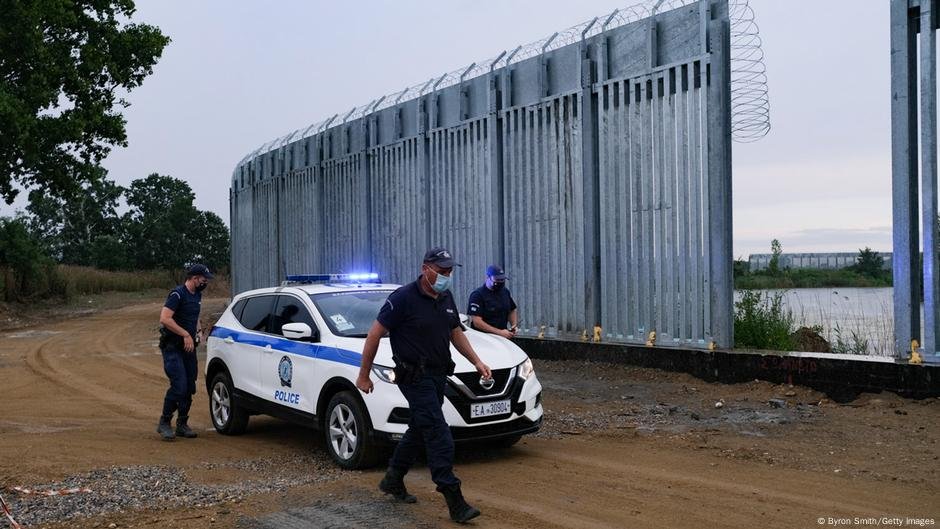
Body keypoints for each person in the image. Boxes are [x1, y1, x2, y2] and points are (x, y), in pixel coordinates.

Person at [356, 247, 492, 524]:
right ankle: (454, 499)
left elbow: (456, 332)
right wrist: (364, 375)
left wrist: (477, 361)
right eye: (442, 272)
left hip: (438, 375)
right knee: (438, 433)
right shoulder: (403, 299)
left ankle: (393, 478)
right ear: (425, 268)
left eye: (449, 272)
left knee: (420, 427)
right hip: (414, 377)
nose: (446, 276)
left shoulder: (445, 296)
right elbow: (374, 335)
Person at [156, 264, 213, 441]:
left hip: (188, 349)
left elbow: (194, 316)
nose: (205, 282)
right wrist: (185, 334)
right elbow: (164, 318)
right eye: (204, 279)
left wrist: (198, 331)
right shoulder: (177, 294)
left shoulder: (197, 295)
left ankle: (182, 424)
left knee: (189, 386)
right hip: (172, 347)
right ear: (195, 278)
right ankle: (164, 422)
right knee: (179, 385)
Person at [467, 265, 518, 339]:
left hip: (503, 337)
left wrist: (514, 325)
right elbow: (477, 322)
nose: (500, 282)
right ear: (488, 277)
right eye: (497, 280)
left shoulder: (505, 292)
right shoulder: (477, 295)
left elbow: (512, 310)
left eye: (502, 280)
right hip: (484, 338)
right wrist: (499, 332)